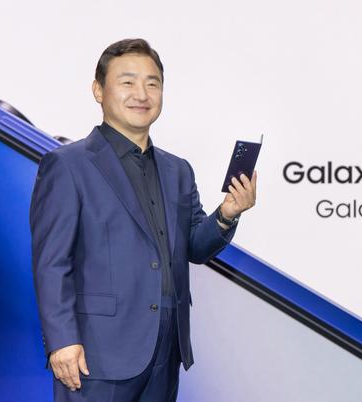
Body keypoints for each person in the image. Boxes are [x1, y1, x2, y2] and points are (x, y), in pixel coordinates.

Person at [29, 38, 257, 402]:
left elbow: (195, 247)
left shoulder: (178, 170)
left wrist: (227, 215)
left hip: (166, 349)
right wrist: (61, 341)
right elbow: (51, 262)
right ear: (98, 90)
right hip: (96, 352)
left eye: (153, 83)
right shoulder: (68, 165)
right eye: (128, 82)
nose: (142, 94)